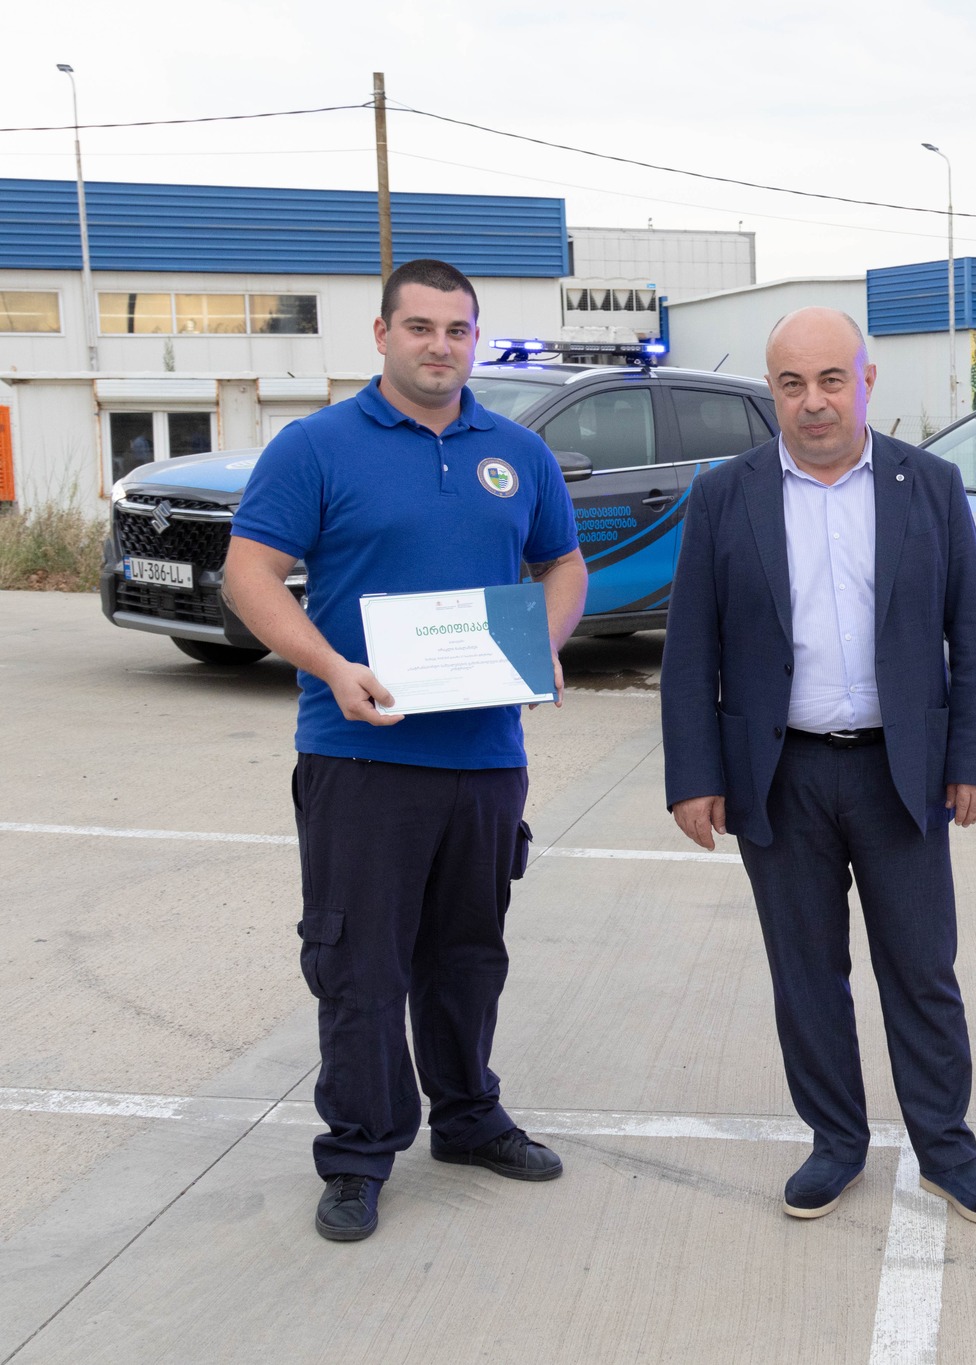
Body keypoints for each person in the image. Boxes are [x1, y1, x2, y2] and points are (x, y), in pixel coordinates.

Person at [223, 258, 588, 1242]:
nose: (440, 346)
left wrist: (546, 643)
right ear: (382, 335)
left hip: (485, 757)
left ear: (476, 339)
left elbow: (562, 562)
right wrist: (329, 665)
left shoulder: (516, 452)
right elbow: (250, 574)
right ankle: (358, 1151)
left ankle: (467, 1118)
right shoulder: (316, 447)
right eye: (419, 327)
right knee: (360, 966)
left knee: (468, 956)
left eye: (457, 329)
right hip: (360, 755)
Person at [661, 307, 976, 1226]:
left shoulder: (929, 485)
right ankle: (835, 1142)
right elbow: (690, 648)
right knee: (806, 972)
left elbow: (973, 632)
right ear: (772, 391)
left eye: (831, 380)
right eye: (792, 383)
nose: (813, 401)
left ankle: (947, 1148)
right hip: (779, 776)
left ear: (866, 382)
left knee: (922, 968)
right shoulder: (724, 495)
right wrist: (694, 774)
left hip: (902, 773)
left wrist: (974, 757)